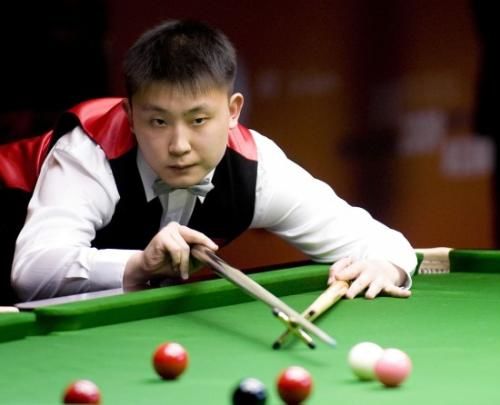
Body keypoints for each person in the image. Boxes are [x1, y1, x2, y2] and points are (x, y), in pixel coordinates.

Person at [8, 19, 417, 302]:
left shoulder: (256, 168)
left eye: (198, 120)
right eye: (158, 121)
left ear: (233, 110)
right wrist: (140, 264)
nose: (179, 145)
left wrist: (385, 267)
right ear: (130, 115)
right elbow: (32, 272)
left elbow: (383, 243)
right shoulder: (89, 155)